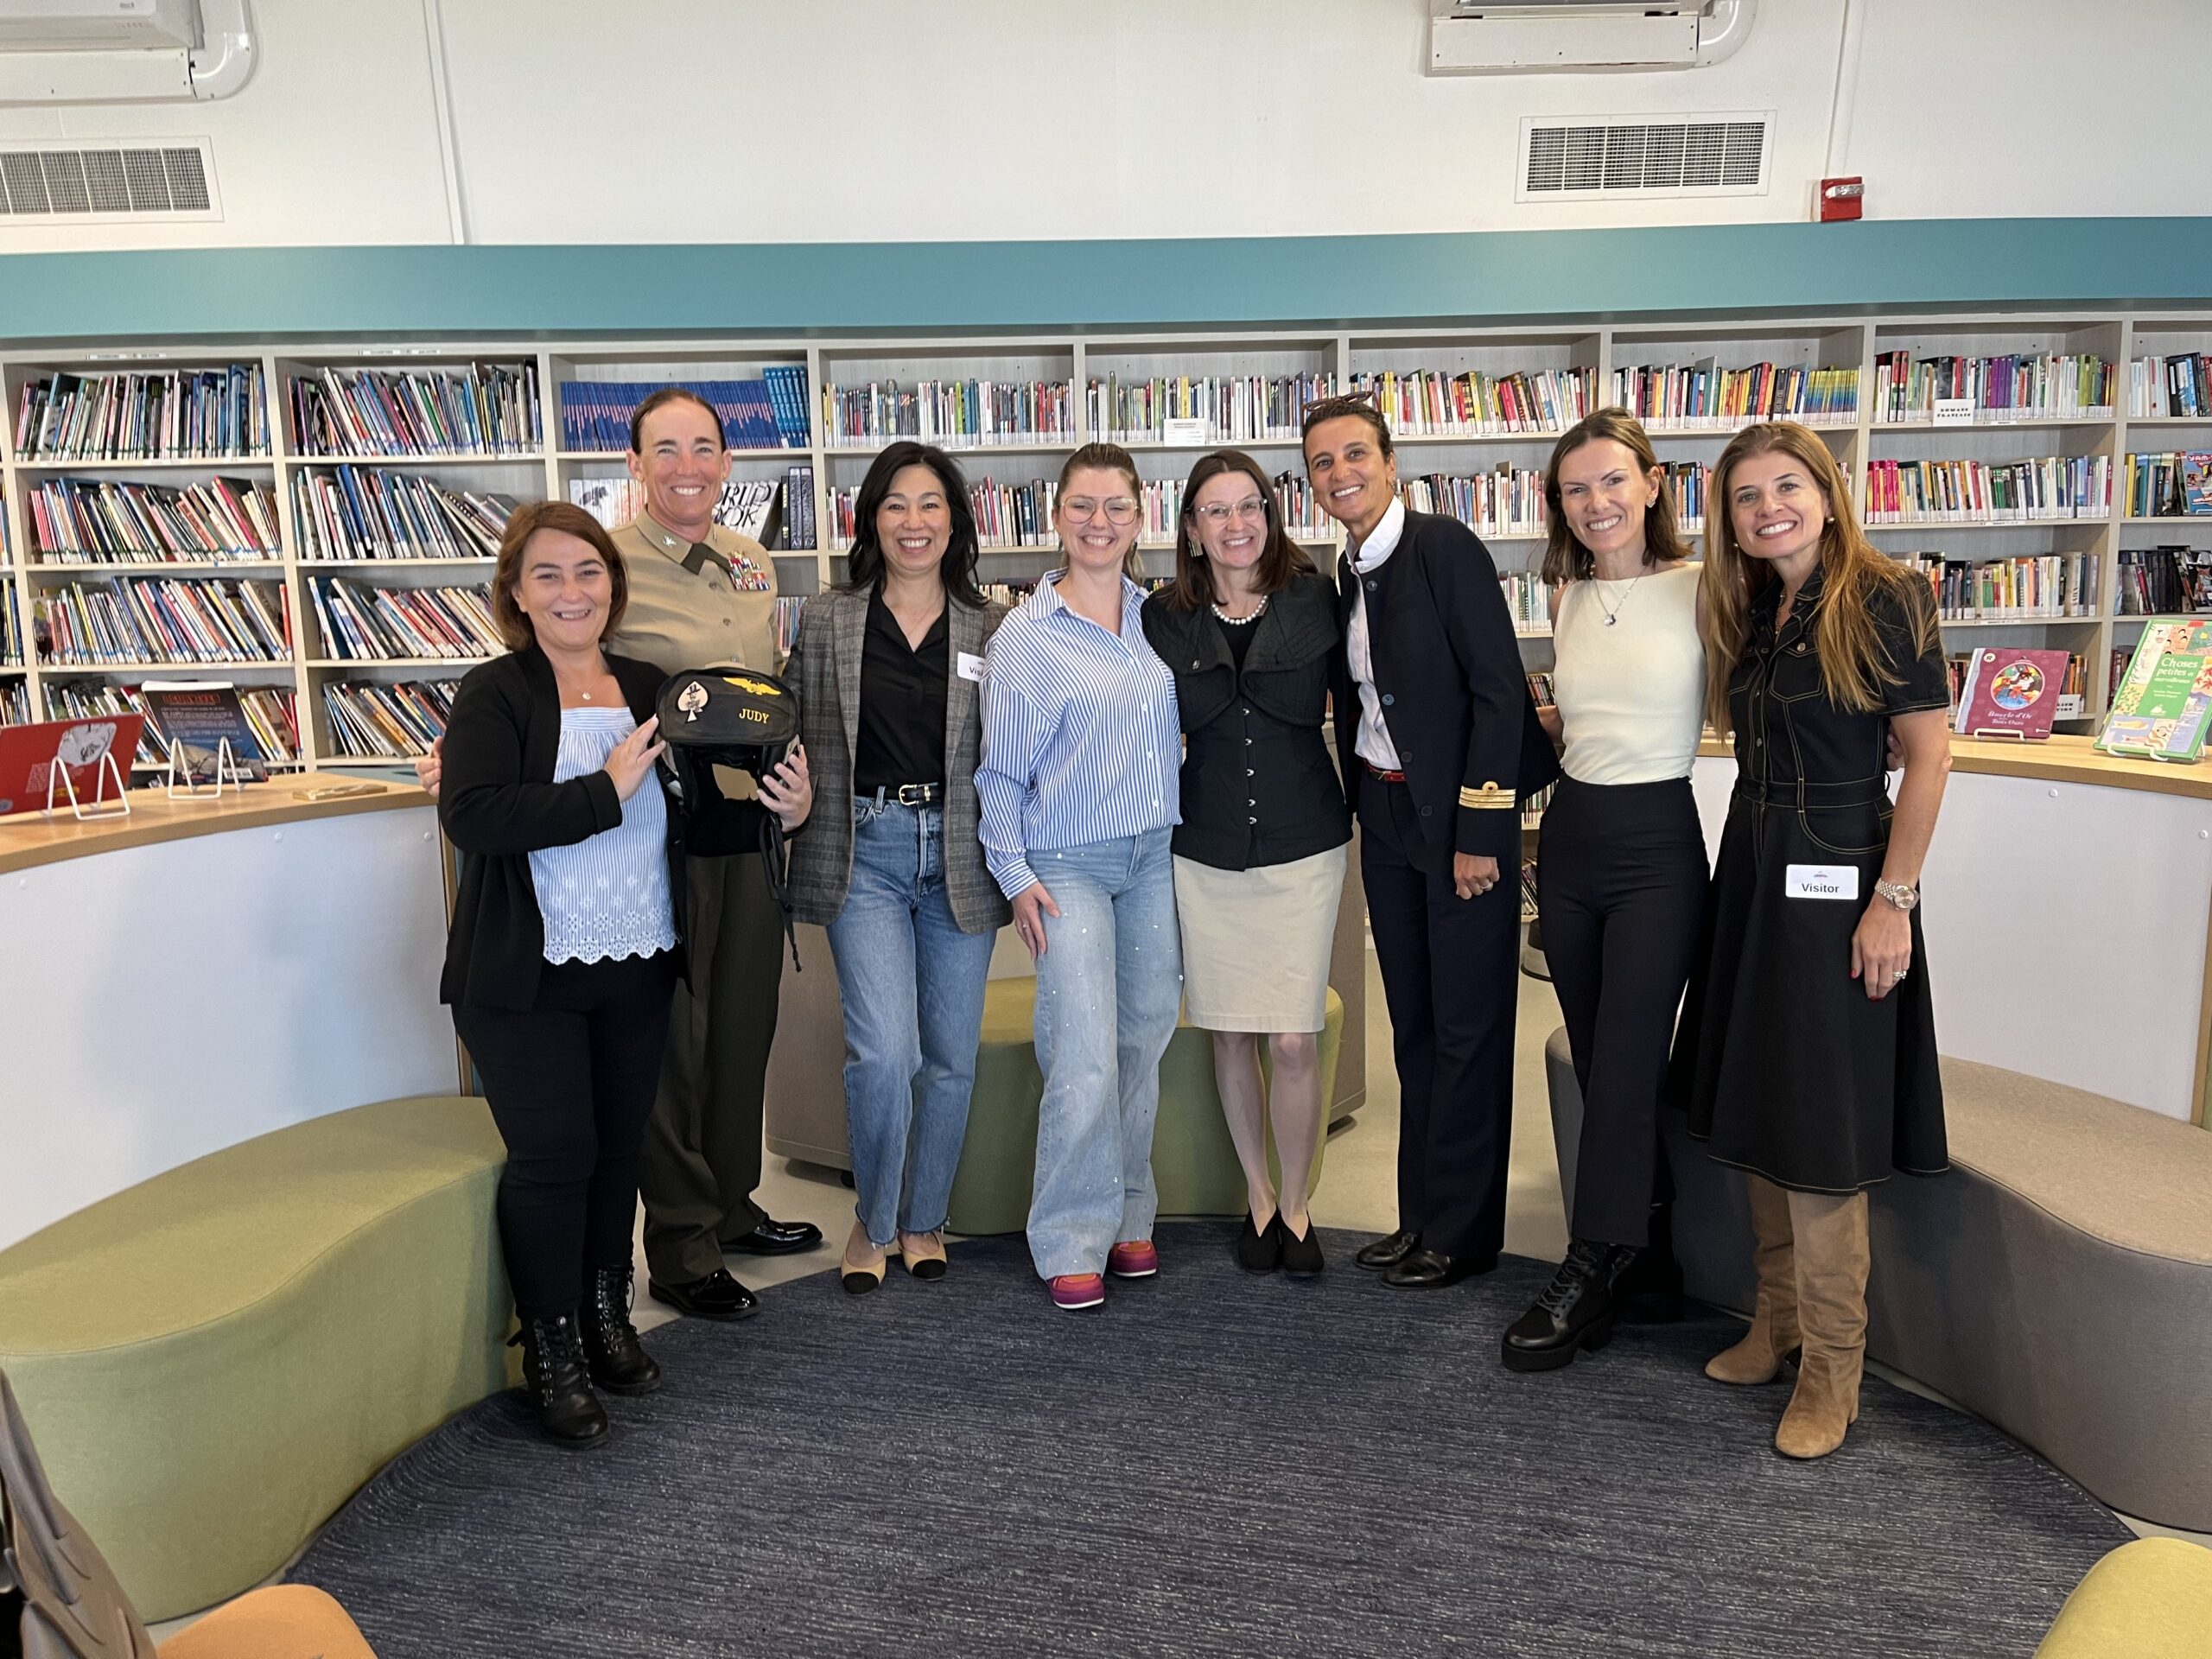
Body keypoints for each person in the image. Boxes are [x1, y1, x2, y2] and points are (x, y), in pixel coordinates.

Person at [421, 386, 823, 1323]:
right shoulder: (600, 564)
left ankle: (731, 1204)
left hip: (745, 827)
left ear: (728, 462)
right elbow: (549, 689)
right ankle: (682, 1242)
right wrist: (461, 759)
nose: (688, 467)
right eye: (665, 450)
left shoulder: (752, 560)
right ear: (633, 466)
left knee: (741, 1029)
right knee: (671, 1049)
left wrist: (789, 807)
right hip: (655, 840)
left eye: (704, 448)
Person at [1680, 419, 1952, 1460]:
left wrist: (1894, 900)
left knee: (1820, 1124)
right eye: (1746, 496)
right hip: (1754, 870)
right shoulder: (1752, 604)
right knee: (1759, 1093)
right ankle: (1779, 1320)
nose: (1768, 510)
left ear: (1828, 494)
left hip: (1844, 875)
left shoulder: (1886, 596)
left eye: (1786, 487)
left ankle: (1834, 1368)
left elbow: (1928, 757)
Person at [1306, 393, 1558, 1290]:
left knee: (1467, 1029)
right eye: (1322, 463)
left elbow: (1498, 690)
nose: (1340, 473)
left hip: (1458, 825)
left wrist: (1483, 828)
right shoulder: (1346, 572)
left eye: (1355, 454)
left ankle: (1463, 1231)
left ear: (1390, 462)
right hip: (1384, 816)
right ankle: (1418, 1216)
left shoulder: (1442, 546)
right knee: (1413, 1024)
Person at [1501, 408, 1707, 1371]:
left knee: (1627, 1059)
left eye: (1613, 480)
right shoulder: (1567, 594)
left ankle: (1587, 1266)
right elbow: (1583, 722)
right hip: (1573, 838)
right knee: (1597, 1059)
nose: (1596, 502)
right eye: (1576, 488)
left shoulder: (1705, 587)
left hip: (1658, 844)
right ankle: (1651, 1253)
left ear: (1653, 483)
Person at [785, 442, 1010, 1294]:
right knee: (883, 1053)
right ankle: (874, 1220)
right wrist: (790, 795)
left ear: (955, 520)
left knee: (950, 1057)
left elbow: (1020, 742)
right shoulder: (828, 619)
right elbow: (790, 726)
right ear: (871, 520)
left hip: (961, 849)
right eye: (895, 505)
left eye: (930, 504)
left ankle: (924, 1219)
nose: (913, 523)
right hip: (865, 849)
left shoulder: (995, 626)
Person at [976, 442, 1183, 1312]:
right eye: (1083, 506)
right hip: (1068, 864)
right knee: (1084, 1051)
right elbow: (998, 773)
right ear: (1057, 516)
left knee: (1143, 1039)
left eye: (1117, 506)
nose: (1100, 522)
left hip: (1152, 856)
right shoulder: (1025, 636)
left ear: (1140, 516)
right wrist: (1013, 872)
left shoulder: (1158, 617)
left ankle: (1129, 1212)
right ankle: (1068, 1235)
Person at [1141, 450, 1349, 1278]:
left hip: (1305, 844)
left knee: (1293, 1038)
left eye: (1249, 506)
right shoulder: (1162, 617)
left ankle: (1298, 1204)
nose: (1236, 524)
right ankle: (1260, 1198)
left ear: (1271, 513)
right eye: (1216, 510)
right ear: (1191, 528)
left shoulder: (1317, 598)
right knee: (1228, 1032)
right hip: (1207, 847)